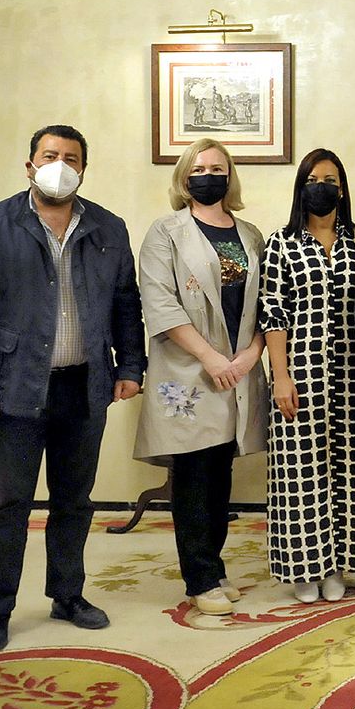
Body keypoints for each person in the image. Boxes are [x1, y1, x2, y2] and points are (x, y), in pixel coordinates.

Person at [0, 125, 145, 652]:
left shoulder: (108, 227)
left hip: (86, 385)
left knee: (74, 500)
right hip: (14, 387)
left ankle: (67, 594)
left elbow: (127, 303)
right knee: (9, 502)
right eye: (49, 155)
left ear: (84, 168)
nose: (60, 163)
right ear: (30, 164)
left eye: (71, 157)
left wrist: (131, 366)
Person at [135, 139, 268, 616]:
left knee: (220, 472)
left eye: (218, 167)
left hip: (239, 367)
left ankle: (214, 566)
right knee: (193, 473)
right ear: (184, 176)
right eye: (200, 167)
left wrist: (251, 354)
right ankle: (200, 576)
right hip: (190, 370)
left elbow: (269, 306)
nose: (209, 174)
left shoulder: (251, 234)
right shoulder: (165, 232)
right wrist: (211, 358)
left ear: (230, 176)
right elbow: (160, 303)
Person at [258, 149, 355, 605]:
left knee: (350, 468)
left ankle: (341, 564)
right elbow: (272, 313)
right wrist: (281, 376)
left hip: (354, 372)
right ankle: (305, 568)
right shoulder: (280, 244)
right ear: (301, 187)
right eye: (313, 178)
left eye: (330, 178)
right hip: (301, 375)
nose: (322, 185)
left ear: (342, 188)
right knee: (300, 472)